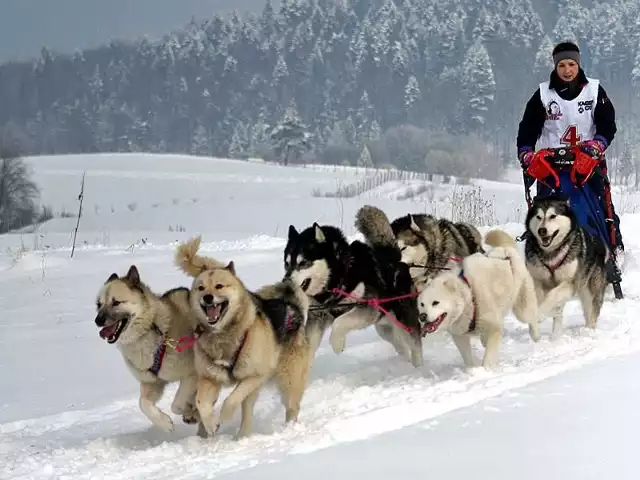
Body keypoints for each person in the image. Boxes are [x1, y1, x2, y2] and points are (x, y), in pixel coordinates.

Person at [516, 40, 624, 256]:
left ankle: (612, 248)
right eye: (562, 65)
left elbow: (607, 125)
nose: (567, 70)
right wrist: (526, 154)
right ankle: (543, 253)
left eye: (571, 65)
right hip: (551, 166)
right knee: (546, 212)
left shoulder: (594, 91)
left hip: (588, 162)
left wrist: (597, 145)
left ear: (578, 65)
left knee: (601, 206)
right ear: (555, 67)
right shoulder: (543, 95)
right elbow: (527, 130)